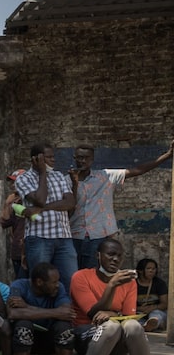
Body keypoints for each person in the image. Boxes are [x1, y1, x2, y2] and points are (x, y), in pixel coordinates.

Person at [69, 239, 162, 355]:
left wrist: (112, 313)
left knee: (134, 326)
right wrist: (111, 286)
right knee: (110, 326)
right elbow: (93, 314)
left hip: (116, 340)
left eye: (119, 256)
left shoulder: (129, 282)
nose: (115, 259)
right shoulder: (81, 277)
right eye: (110, 254)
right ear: (98, 256)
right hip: (86, 336)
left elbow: (128, 316)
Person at [68, 141, 173, 269]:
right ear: (74, 158)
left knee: (95, 276)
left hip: (99, 236)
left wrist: (167, 155)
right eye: (80, 157)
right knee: (74, 277)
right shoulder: (65, 180)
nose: (83, 161)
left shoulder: (105, 176)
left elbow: (137, 170)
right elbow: (68, 209)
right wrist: (74, 184)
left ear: (92, 159)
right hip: (74, 235)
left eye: (86, 158)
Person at [8, 263, 77, 355]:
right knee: (23, 325)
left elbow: (67, 313)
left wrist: (27, 308)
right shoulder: (19, 286)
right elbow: (12, 313)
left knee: (65, 328)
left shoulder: (59, 289)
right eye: (53, 282)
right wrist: (55, 313)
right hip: (24, 342)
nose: (57, 285)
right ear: (39, 282)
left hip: (50, 340)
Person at [14, 143, 77, 291]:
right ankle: (42, 313)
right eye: (48, 157)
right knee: (40, 282)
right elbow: (40, 199)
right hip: (39, 239)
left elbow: (70, 203)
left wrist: (42, 209)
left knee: (70, 280)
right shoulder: (23, 179)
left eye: (53, 156)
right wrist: (42, 173)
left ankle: (66, 311)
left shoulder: (58, 175)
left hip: (64, 237)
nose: (53, 160)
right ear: (36, 159)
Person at [0, 169, 27, 279]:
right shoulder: (15, 202)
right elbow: (4, 222)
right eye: (12, 182)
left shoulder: (34, 200)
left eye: (15, 182)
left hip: (29, 248)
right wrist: (7, 204)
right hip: (17, 250)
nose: (12, 185)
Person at [135, 258, 167, 332]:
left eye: (153, 269)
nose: (151, 271)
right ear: (140, 271)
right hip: (138, 312)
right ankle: (144, 326)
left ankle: (152, 323)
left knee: (157, 315)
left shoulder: (159, 283)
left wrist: (152, 308)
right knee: (133, 319)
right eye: (148, 268)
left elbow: (164, 304)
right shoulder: (133, 284)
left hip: (155, 310)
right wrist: (140, 309)